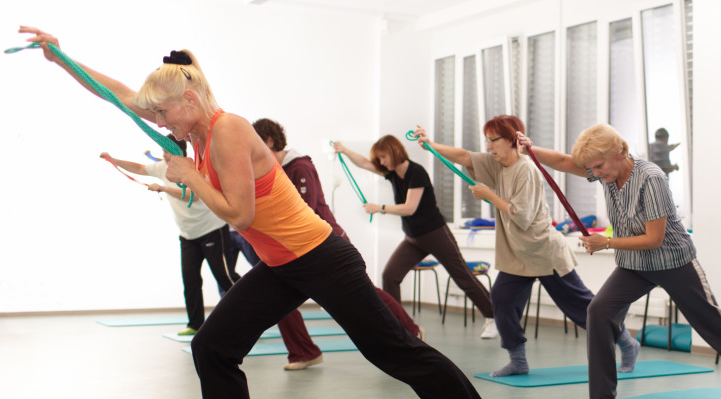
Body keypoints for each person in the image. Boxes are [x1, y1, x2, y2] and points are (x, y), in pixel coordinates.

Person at [21, 27, 516, 399]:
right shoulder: (194, 131)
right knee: (213, 347)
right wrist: (61, 56)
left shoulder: (228, 131)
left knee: (395, 352)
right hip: (281, 263)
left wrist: (190, 178)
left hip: (322, 256)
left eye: (164, 114)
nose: (158, 122)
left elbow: (239, 212)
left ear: (189, 100)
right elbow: (121, 94)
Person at [524, 123, 721, 399]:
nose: (595, 173)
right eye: (591, 168)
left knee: (709, 320)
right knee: (599, 311)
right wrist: (529, 147)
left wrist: (605, 243)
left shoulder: (651, 178)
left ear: (620, 152)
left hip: (673, 261)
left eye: (599, 166)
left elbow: (653, 239)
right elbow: (562, 161)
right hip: (634, 265)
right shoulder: (606, 171)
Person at [411, 116, 640, 377]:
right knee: (502, 300)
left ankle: (626, 342)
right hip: (518, 255)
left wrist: (489, 195)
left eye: (493, 140)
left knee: (581, 308)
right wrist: (430, 144)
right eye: (487, 141)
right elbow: (464, 156)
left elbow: (521, 216)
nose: (488, 147)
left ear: (512, 140)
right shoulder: (498, 165)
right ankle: (518, 361)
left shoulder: (526, 170)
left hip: (544, 252)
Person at [252, 118, 425, 341]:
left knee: (366, 293)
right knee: (278, 297)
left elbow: (306, 209)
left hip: (329, 241)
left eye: (257, 141)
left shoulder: (300, 167)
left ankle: (411, 330)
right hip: (304, 247)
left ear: (269, 140)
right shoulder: (278, 171)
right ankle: (303, 352)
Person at [333, 137, 498, 339]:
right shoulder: (392, 173)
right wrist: (345, 150)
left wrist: (380, 208)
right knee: (390, 275)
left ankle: (495, 317)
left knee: (462, 276)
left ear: (394, 152)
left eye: (383, 157)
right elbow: (365, 164)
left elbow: (410, 208)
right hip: (413, 239)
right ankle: (397, 325)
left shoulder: (416, 172)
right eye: (379, 158)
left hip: (436, 234)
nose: (381, 162)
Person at [100, 135, 234, 336]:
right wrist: (114, 160)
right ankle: (195, 324)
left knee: (224, 277)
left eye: (166, 150)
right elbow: (139, 168)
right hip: (188, 235)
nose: (163, 153)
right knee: (190, 280)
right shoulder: (163, 166)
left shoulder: (193, 168)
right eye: (162, 149)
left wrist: (163, 188)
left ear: (178, 151)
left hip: (211, 230)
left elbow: (194, 196)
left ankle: (251, 313)